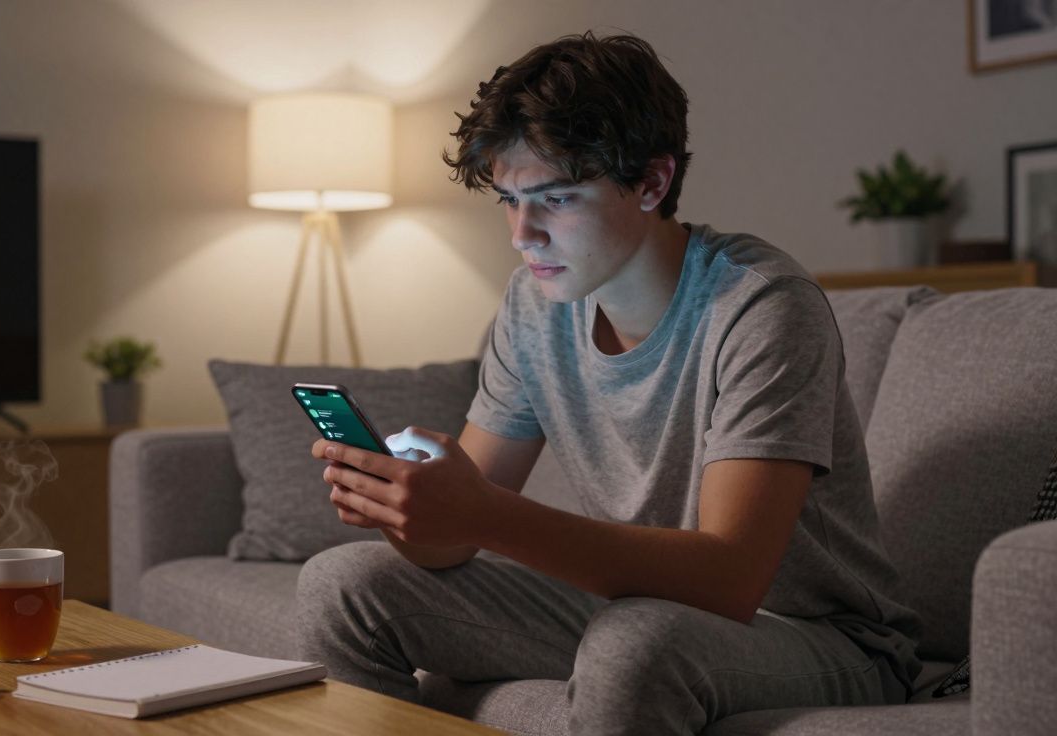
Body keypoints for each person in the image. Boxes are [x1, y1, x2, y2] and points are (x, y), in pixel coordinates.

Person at [296, 31, 921, 735]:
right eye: (507, 199)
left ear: (652, 183)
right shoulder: (536, 306)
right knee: (341, 585)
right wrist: (410, 511)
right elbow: (455, 543)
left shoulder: (761, 306)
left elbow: (731, 580)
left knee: (634, 646)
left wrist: (482, 513)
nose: (521, 234)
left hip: (818, 636)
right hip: (634, 606)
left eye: (555, 199)